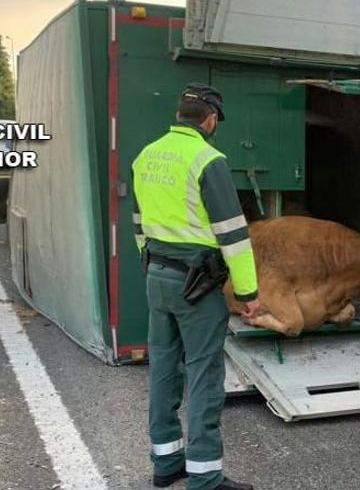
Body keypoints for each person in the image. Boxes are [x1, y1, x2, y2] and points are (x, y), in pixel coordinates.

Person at [132, 83, 261, 490]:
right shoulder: (208, 160)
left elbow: (138, 222)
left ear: (179, 115)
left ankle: (166, 462)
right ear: (210, 120)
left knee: (163, 368)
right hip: (197, 286)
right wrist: (248, 293)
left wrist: (151, 265)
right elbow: (233, 234)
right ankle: (204, 476)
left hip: (158, 277)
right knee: (204, 374)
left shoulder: (146, 156)